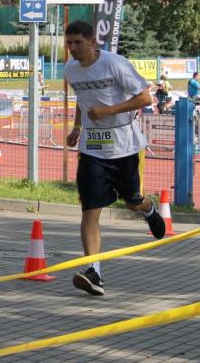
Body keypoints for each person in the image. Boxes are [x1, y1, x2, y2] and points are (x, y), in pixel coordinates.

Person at [63, 20, 165, 297]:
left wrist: (109, 111)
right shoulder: (70, 69)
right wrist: (77, 127)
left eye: (78, 43)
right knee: (89, 211)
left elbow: (145, 99)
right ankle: (94, 271)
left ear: (92, 41)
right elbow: (82, 100)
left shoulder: (114, 64)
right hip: (92, 150)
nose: (72, 49)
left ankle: (148, 209)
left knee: (132, 202)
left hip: (125, 147)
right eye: (68, 43)